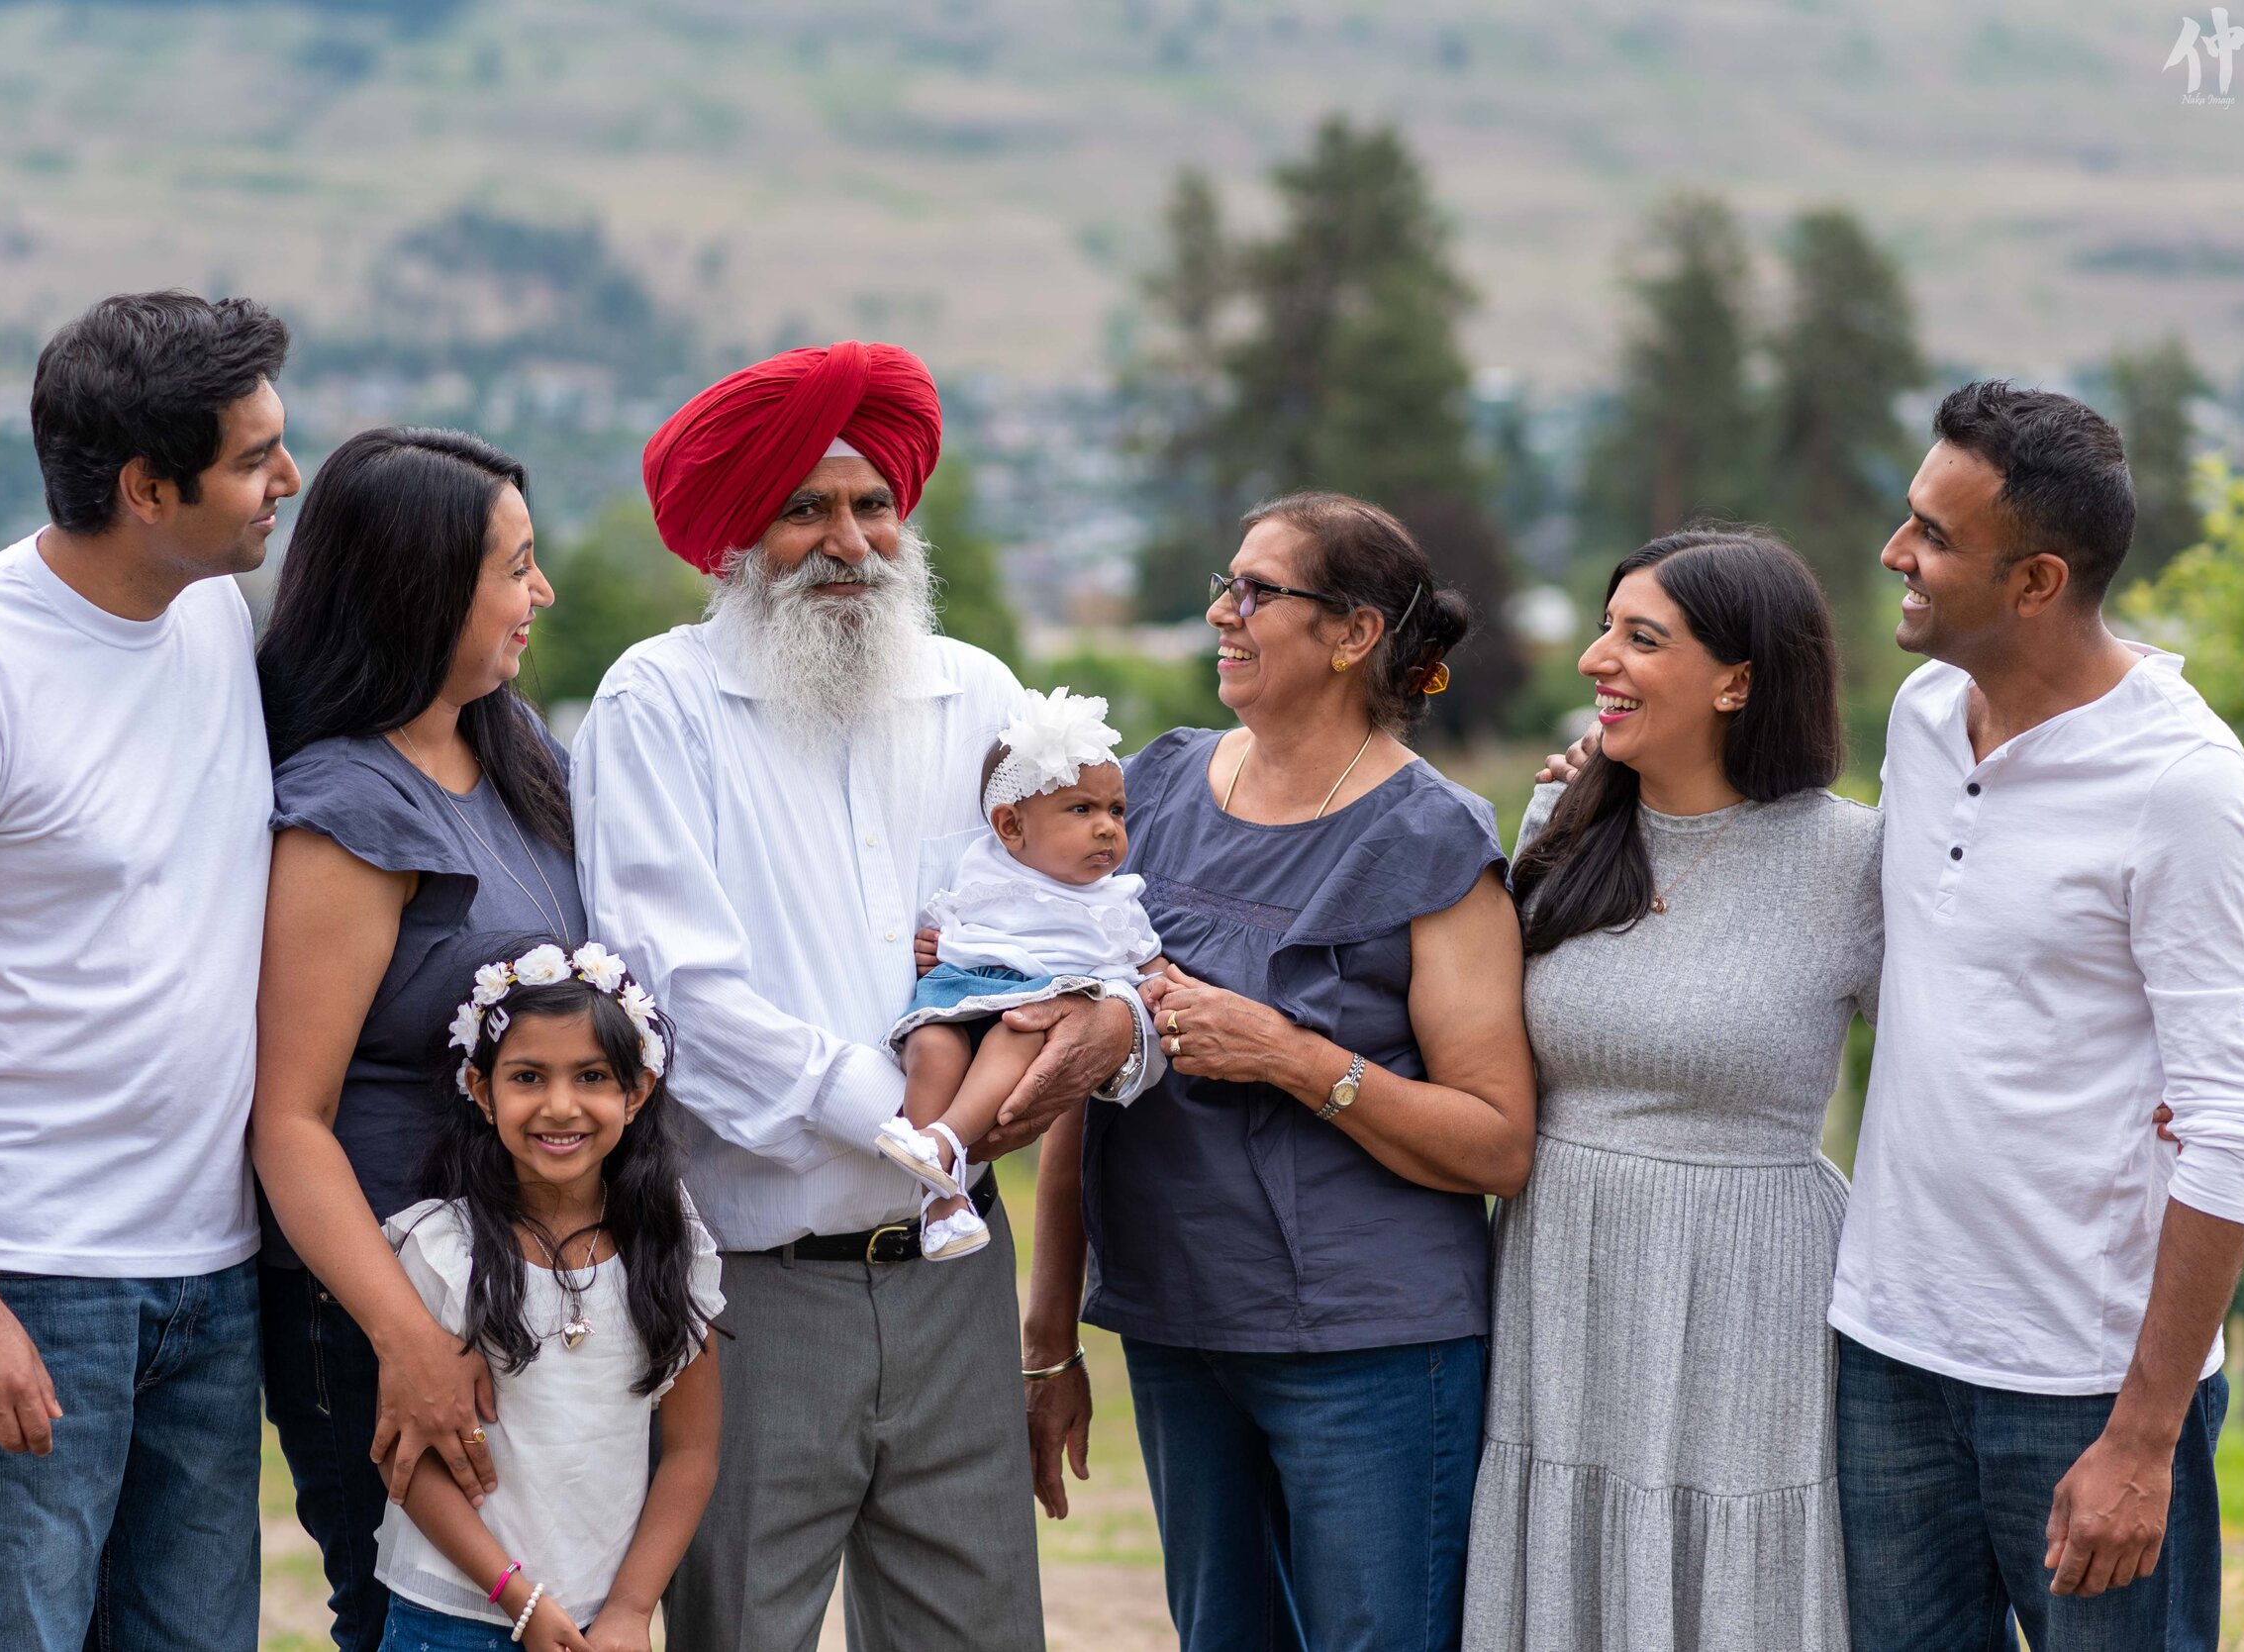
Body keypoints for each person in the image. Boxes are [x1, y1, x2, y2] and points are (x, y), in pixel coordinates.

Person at [570, 340, 1159, 1651]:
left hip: (956, 1284)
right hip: (755, 1285)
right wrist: (913, 1115)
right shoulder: (660, 705)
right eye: (806, 509)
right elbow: (676, 989)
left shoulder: (984, 700)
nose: (851, 540)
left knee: (978, 1630)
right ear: (737, 537)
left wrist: (1104, 1031)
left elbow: (1070, 926)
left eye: (873, 505)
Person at [0, 291, 296, 1650]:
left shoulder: (207, 616)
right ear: (148, 488)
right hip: (19, 1275)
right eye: (255, 457)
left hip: (205, 1275)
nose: (287, 477)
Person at [1025, 491, 1536, 1652]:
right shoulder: (1146, 792)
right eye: (1227, 583)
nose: (1222, 611)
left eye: (1258, 592)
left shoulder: (1434, 840)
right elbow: (1081, 1073)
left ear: (1354, 633)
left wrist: (1294, 1057)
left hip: (1368, 1351)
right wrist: (1049, 1334)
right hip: (1174, 1326)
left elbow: (1497, 1138)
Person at [1828, 383, 2244, 1649]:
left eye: (1932, 536)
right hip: (1890, 1351)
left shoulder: (2186, 792)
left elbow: (2235, 1127)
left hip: (2084, 1387)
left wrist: (2143, 1437)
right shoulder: (1919, 719)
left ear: (2036, 582)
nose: (1893, 555)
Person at [1463, 530, 1880, 1652]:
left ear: (1738, 679)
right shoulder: (1560, 826)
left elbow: (1941, 1078)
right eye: (1604, 627)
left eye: (1639, 637)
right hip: (1560, 1270)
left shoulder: (1854, 858)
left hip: (1750, 1288)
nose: (1596, 657)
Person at [250, 427, 574, 1651]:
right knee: (409, 1622)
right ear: (421, 586)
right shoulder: (342, 808)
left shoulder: (512, 748)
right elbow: (288, 1118)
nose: (540, 592)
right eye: (516, 566)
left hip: (510, 1282)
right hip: (379, 1305)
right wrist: (411, 1342)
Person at [373, 940, 722, 1652]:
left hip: (604, 1622)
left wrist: (630, 1608)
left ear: (637, 1090)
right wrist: (521, 1602)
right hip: (452, 1619)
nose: (560, 1106)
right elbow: (404, 1457)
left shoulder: (670, 1240)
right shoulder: (442, 1250)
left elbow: (692, 1450)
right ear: (481, 1087)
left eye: (591, 1075)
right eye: (528, 1076)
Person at [878, 687, 1164, 1260]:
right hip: (965, 990)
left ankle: (946, 1139)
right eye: (1082, 809)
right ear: (1010, 826)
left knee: (1019, 1031)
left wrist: (1162, 987)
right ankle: (942, 1197)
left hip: (1035, 1009)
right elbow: (944, 924)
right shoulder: (982, 865)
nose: (1108, 827)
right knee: (932, 1043)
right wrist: (935, 946)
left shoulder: (1115, 900)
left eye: (1116, 810)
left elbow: (1150, 964)